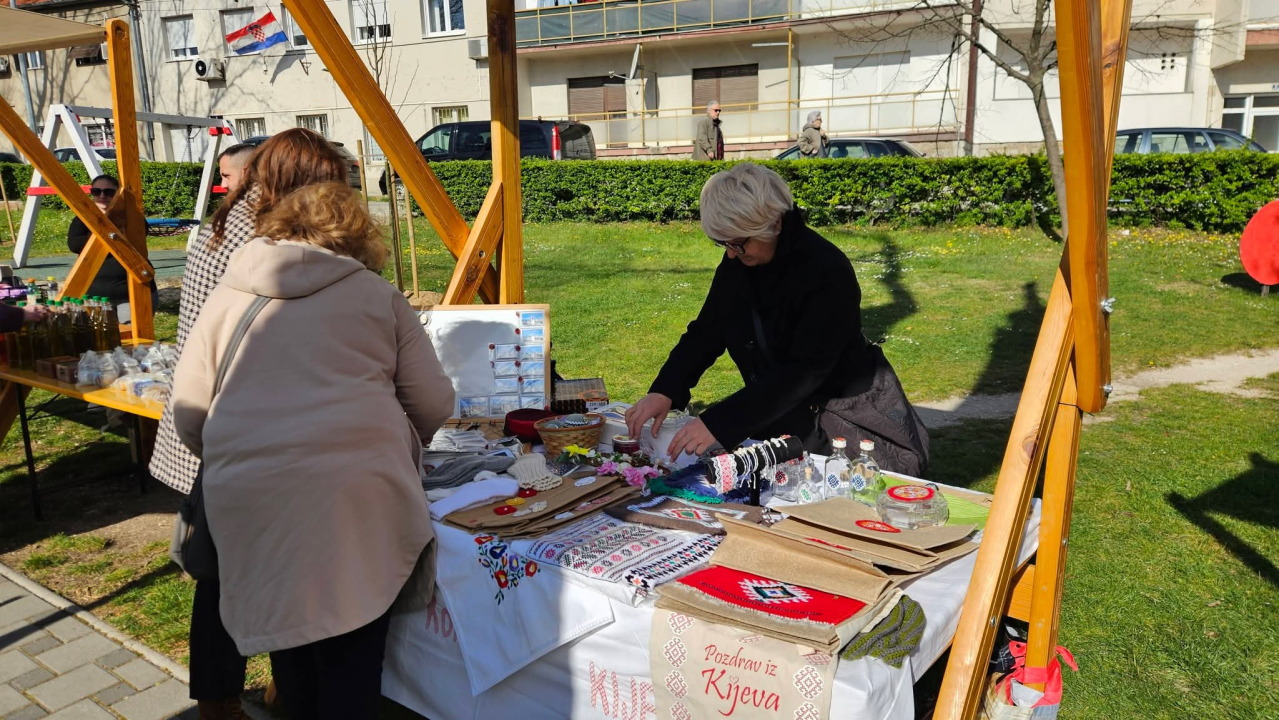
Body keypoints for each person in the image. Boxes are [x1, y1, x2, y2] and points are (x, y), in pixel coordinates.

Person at [170, 182, 454, 719]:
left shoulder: (227, 293)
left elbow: (189, 414)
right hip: (360, 500)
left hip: (254, 501)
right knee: (352, 650)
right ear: (359, 235)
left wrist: (247, 449)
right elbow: (434, 402)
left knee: (292, 643)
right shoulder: (377, 295)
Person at [148, 128, 349, 720]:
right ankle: (252, 694)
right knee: (259, 569)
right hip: (242, 426)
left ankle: (221, 697)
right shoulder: (264, 236)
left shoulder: (226, 222)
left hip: (212, 421)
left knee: (223, 571)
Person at [625, 163, 929, 475]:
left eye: (737, 242)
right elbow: (708, 330)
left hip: (837, 424)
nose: (730, 254)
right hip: (779, 418)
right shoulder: (740, 260)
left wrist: (720, 422)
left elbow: (803, 371)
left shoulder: (826, 272)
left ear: (772, 224)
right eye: (723, 243)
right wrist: (665, 390)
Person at [65, 174, 158, 311]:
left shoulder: (132, 218)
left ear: (117, 194)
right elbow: (75, 244)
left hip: (130, 293)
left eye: (108, 192)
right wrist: (110, 236)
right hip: (96, 297)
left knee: (132, 331)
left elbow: (137, 238)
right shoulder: (82, 219)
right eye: (96, 192)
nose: (102, 196)